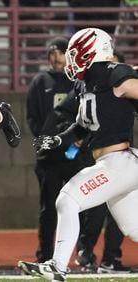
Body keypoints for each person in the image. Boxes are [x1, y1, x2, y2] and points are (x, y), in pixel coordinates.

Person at [19, 27, 138, 282]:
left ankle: (57, 266)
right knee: (133, 227)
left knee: (68, 199)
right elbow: (83, 126)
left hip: (120, 162)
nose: (71, 59)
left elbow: (132, 87)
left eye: (75, 53)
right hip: (112, 163)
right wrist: (58, 139)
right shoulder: (87, 84)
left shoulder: (113, 73)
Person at [72, 50, 131, 274]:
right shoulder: (87, 86)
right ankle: (84, 253)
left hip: (122, 161)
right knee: (91, 211)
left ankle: (110, 259)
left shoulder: (125, 84)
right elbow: (71, 113)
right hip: (97, 158)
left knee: (122, 218)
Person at [26, 37, 80, 264]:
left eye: (61, 52)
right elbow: (33, 118)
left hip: (74, 154)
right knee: (48, 208)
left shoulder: (77, 81)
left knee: (80, 207)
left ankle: (82, 254)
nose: (56, 57)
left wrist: (76, 141)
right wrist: (46, 141)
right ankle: (46, 255)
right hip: (49, 158)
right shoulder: (40, 82)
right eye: (52, 52)